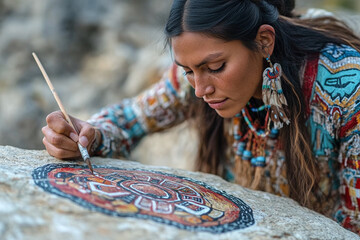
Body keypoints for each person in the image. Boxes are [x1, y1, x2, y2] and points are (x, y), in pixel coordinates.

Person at [41, 0, 360, 234]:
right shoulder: (197, 75)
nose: (200, 90)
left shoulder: (346, 88)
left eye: (216, 67)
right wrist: (89, 136)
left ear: (264, 41)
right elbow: (130, 119)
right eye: (188, 71)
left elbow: (354, 223)